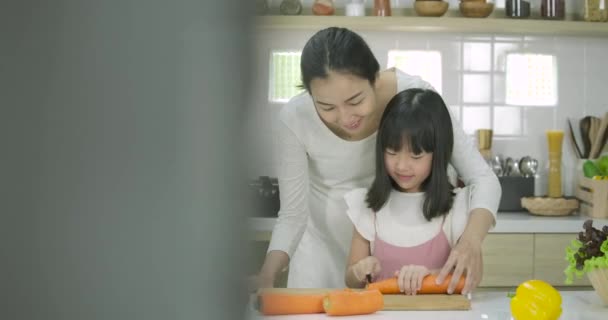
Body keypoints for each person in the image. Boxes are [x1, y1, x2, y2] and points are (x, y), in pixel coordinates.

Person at [255, 27, 499, 294]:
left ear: (375, 77)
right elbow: (292, 215)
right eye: (326, 107)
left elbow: (482, 178)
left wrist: (471, 240)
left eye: (355, 100)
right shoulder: (295, 118)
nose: (345, 117)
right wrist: (267, 275)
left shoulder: (414, 99)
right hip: (318, 258)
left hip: (395, 261)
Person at [344, 88, 471, 295]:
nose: (402, 165)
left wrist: (430, 275)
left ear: (438, 153)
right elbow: (351, 280)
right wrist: (359, 271)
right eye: (392, 152)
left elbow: (471, 274)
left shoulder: (457, 208)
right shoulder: (368, 206)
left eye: (416, 155)